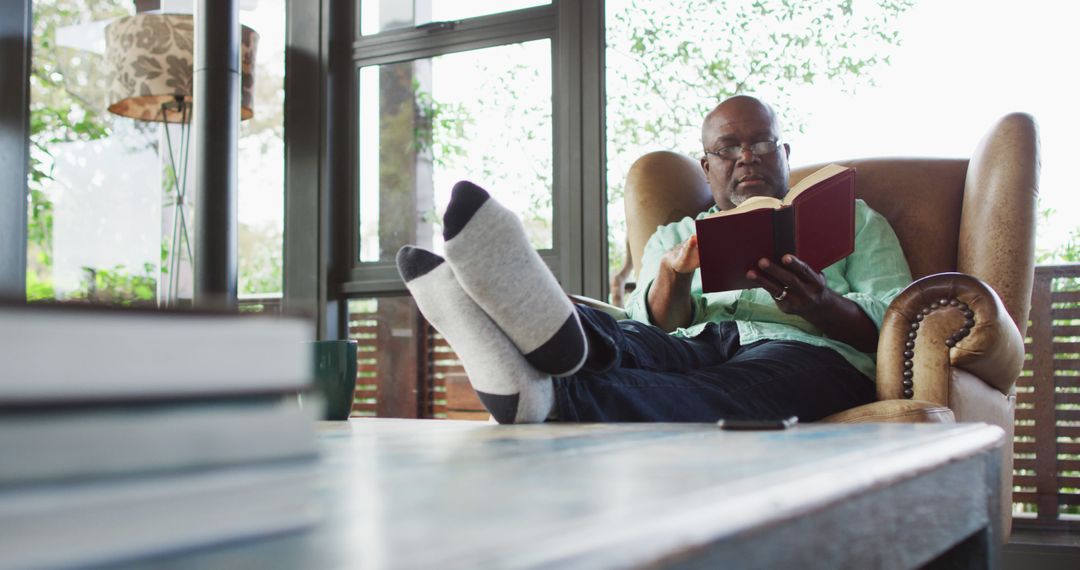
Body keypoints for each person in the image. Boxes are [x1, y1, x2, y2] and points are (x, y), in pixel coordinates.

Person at [396, 95, 912, 424]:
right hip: (698, 339)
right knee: (636, 341)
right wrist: (672, 276)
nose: (747, 156)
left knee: (718, 390)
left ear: (785, 154)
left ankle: (547, 395)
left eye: (761, 144)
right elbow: (656, 324)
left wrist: (819, 302)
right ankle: (549, 334)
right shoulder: (675, 235)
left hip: (809, 353)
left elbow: (896, 321)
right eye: (729, 148)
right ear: (707, 165)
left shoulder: (853, 218)